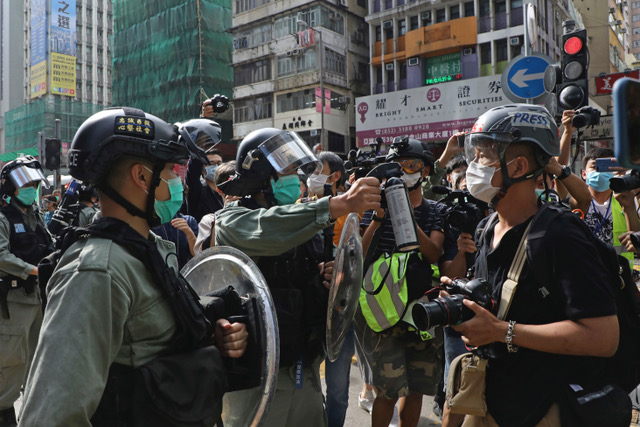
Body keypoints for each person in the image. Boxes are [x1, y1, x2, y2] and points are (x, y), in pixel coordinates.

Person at [19, 107, 247, 426]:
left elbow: (150, 348)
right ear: (141, 177)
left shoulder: (149, 249)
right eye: (171, 171)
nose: (179, 182)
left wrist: (212, 335)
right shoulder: (97, 269)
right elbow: (53, 414)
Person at [440, 104, 619, 427]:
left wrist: (500, 331)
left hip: (541, 408)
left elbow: (603, 337)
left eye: (482, 156)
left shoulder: (560, 234)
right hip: (490, 398)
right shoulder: (487, 227)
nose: (473, 166)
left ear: (519, 165)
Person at [215, 127, 381, 427]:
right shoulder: (232, 219)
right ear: (264, 178)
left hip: (304, 366)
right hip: (258, 375)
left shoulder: (305, 226)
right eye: (289, 171)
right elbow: (269, 229)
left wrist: (323, 279)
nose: (297, 179)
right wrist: (340, 204)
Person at [358, 136, 446, 427]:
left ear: (425, 171)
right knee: (387, 391)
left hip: (422, 310)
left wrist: (406, 215)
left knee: (418, 387)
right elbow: (359, 252)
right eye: (397, 166)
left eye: (412, 165)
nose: (404, 171)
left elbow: (433, 253)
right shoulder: (374, 208)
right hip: (385, 312)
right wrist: (380, 218)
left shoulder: (435, 211)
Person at [0, 156, 54, 427]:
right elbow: (1, 256)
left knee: (38, 361)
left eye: (34, 183)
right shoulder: (2, 217)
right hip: (13, 301)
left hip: (38, 299)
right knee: (12, 362)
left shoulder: (37, 215)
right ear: (10, 187)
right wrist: (33, 270)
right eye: (26, 184)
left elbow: (49, 247)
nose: (31, 188)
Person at [181, 119, 226, 222]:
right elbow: (193, 172)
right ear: (202, 168)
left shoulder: (228, 191)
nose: (216, 167)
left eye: (219, 163)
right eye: (211, 163)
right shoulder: (198, 190)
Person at [194, 160, 238, 255]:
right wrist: (224, 213)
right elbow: (207, 256)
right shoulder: (210, 221)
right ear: (219, 190)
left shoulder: (258, 212)